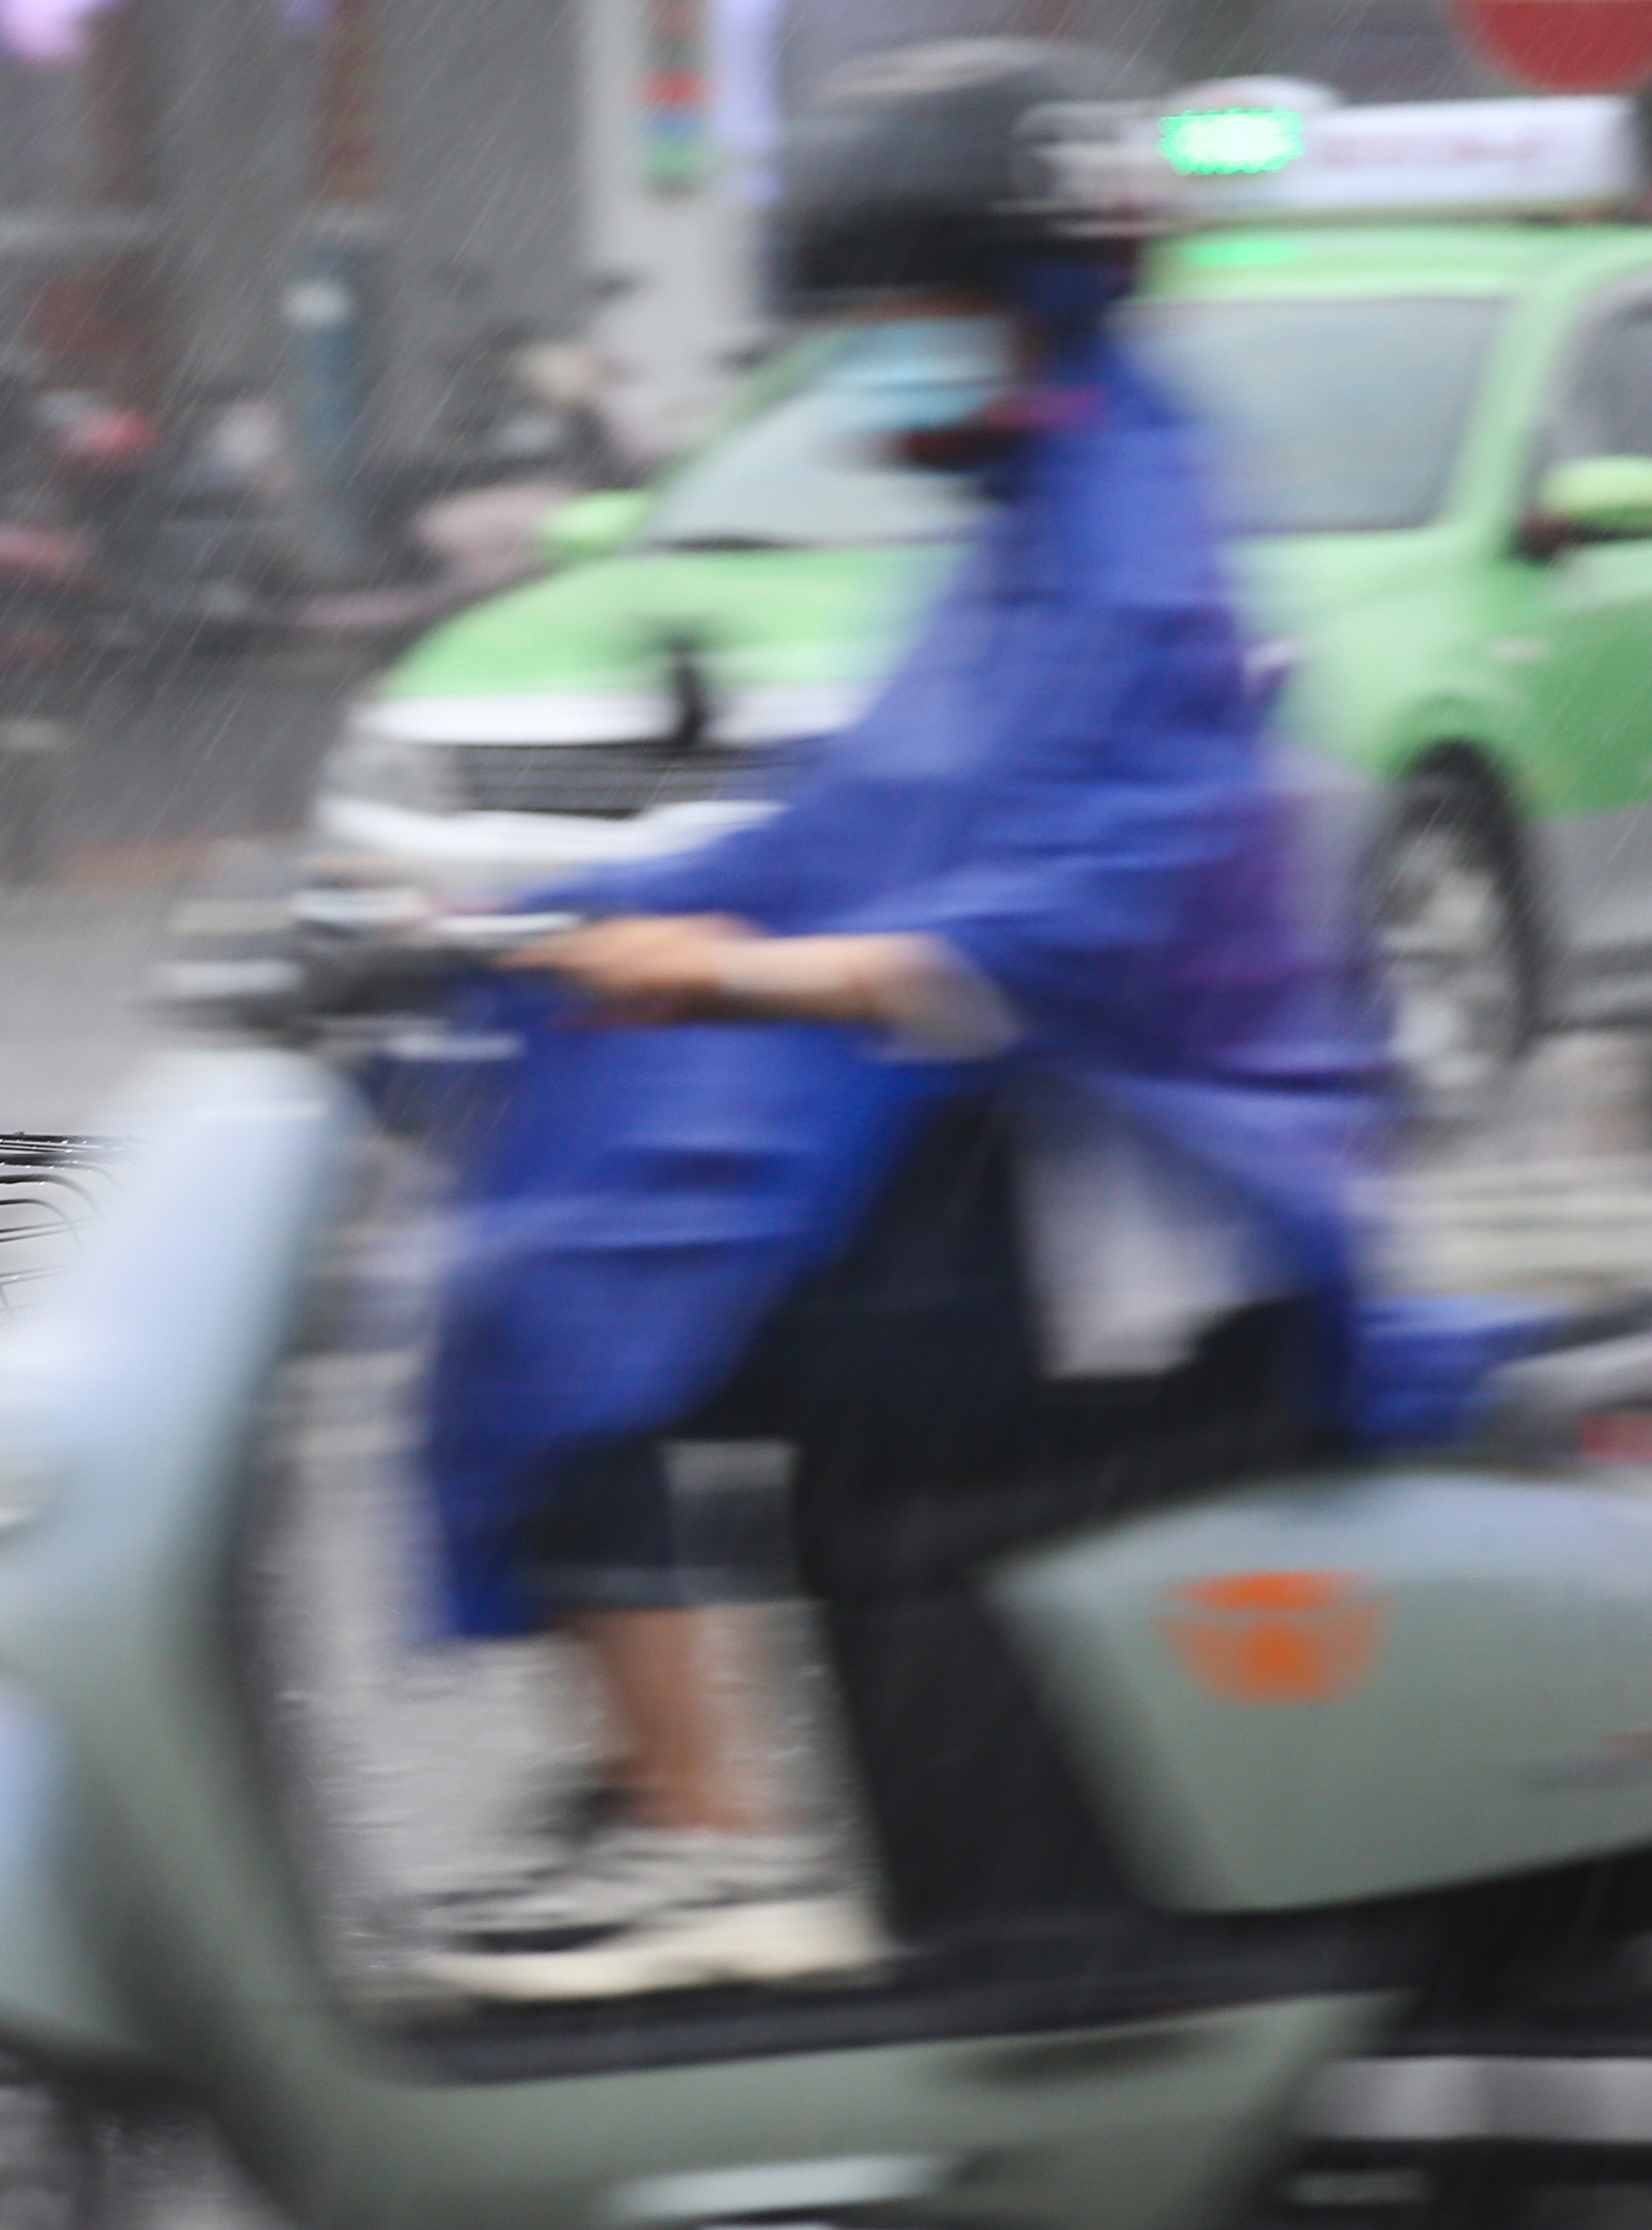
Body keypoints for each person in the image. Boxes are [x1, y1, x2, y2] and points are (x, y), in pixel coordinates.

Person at [414, 43, 1390, 1999]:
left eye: (898, 309)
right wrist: (558, 910)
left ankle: (701, 1835)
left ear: (1013, 293)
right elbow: (859, 820)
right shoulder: (1050, 508)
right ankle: (658, 1800)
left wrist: (729, 967)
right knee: (548, 1215)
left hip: (1127, 1221)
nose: (873, 357)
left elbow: (1074, 907)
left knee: (567, 1293)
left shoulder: (1125, 543)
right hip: (1013, 1157)